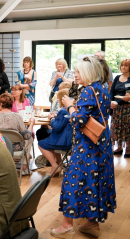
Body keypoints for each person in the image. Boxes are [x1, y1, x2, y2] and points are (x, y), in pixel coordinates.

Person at [50, 56, 116, 237]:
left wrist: (70, 106)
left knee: (72, 182)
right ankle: (92, 224)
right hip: (100, 144)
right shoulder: (102, 89)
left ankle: (66, 225)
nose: (75, 75)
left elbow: (78, 121)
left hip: (87, 147)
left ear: (88, 72)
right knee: (93, 182)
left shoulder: (88, 91)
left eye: (78, 72)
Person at [0, 93, 35, 174]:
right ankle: (24, 164)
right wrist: (31, 124)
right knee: (30, 138)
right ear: (12, 104)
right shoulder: (17, 117)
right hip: (14, 148)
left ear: (1, 104)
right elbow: (26, 136)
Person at [38, 89, 73, 176]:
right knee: (49, 141)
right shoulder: (72, 110)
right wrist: (57, 116)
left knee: (41, 144)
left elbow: (57, 127)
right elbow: (65, 120)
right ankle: (59, 164)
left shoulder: (62, 111)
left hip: (62, 142)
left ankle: (54, 165)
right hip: (71, 141)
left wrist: (51, 118)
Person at [110, 59, 130, 157]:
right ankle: (119, 147)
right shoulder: (117, 77)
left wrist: (117, 103)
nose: (123, 67)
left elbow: (128, 96)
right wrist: (110, 102)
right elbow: (112, 91)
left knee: (127, 127)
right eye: (122, 65)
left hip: (127, 108)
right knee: (116, 127)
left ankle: (128, 147)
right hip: (116, 107)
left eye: (126, 65)